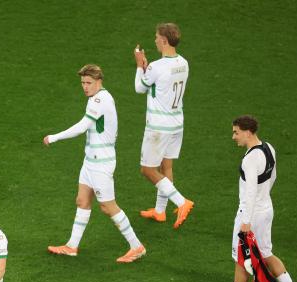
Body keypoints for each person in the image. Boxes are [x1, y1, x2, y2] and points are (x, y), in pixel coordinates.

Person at [44, 64, 146, 263]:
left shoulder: (99, 100)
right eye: (82, 82)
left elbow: (83, 127)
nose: (85, 86)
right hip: (90, 161)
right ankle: (72, 246)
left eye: (89, 83)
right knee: (82, 200)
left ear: (99, 81)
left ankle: (137, 246)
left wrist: (54, 137)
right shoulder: (97, 98)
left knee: (108, 207)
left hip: (101, 163)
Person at [211, 116, 297, 282]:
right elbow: (273, 176)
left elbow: (250, 191)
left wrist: (246, 221)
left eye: (236, 132)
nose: (233, 136)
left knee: (241, 257)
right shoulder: (269, 148)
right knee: (266, 253)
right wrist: (264, 196)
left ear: (247, 132)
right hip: (266, 209)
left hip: (250, 215)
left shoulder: (250, 159)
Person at [133, 23, 194, 228]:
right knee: (165, 166)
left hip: (159, 127)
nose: (155, 40)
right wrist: (147, 67)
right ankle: (160, 211)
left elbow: (140, 88)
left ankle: (181, 202)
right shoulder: (184, 63)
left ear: (165, 41)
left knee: (147, 170)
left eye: (157, 37)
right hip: (177, 124)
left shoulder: (156, 67)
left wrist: (140, 65)